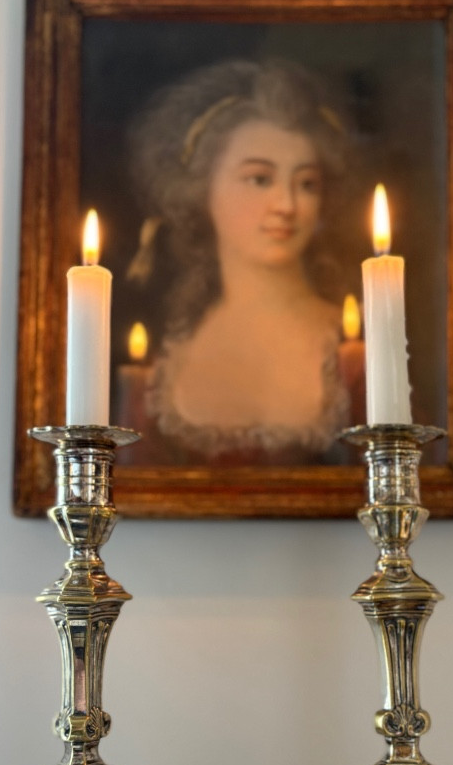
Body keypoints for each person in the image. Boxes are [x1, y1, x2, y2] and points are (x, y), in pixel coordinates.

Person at [127, 58, 355, 463]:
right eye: (259, 179)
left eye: (306, 184)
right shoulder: (167, 355)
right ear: (201, 190)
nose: (286, 205)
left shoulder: (355, 353)